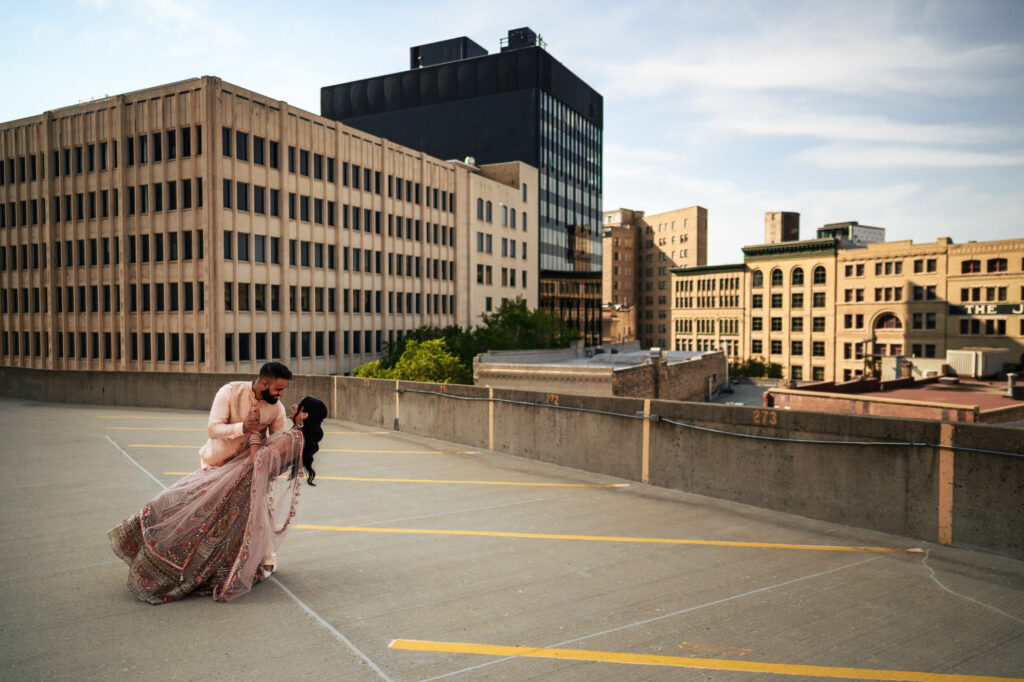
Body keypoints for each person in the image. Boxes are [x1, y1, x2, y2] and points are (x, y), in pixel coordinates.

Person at [109, 396, 328, 604]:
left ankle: (175, 571)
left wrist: (253, 434)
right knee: (214, 526)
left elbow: (260, 462)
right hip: (240, 481)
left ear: (305, 415)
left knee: (188, 508)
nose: (293, 407)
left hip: (240, 484)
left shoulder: (292, 438)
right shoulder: (297, 438)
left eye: (298, 406)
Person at [199, 361, 292, 470]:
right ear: (264, 384)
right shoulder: (229, 391)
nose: (281, 394)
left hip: (247, 470)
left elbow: (277, 441)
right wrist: (243, 427)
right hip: (215, 465)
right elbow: (213, 430)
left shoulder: (277, 408)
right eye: (278, 389)